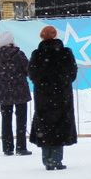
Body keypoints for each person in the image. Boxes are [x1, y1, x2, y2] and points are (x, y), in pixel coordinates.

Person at [29, 26, 77, 171]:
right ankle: (56, 159)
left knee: (45, 126)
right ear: (56, 35)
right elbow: (72, 73)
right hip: (62, 95)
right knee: (60, 125)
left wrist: (44, 83)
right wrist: (62, 81)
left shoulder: (37, 54)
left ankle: (47, 159)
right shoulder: (65, 52)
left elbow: (32, 74)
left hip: (43, 97)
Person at [0, 31, 32, 156]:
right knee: (21, 119)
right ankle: (21, 147)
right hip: (20, 90)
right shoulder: (19, 54)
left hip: (4, 91)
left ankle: (7, 147)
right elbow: (28, 69)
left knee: (6, 120)